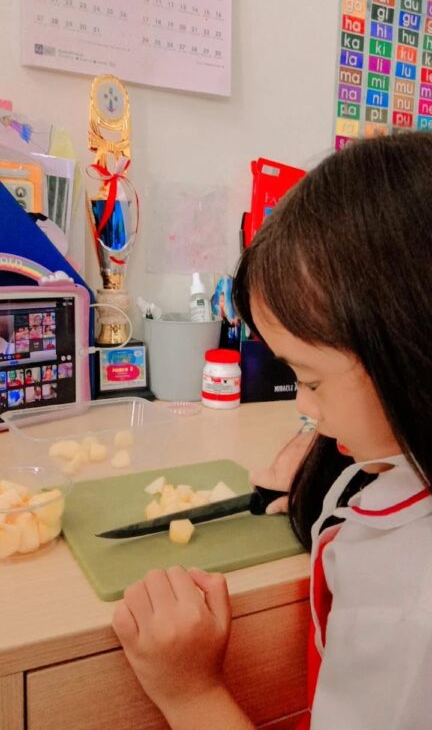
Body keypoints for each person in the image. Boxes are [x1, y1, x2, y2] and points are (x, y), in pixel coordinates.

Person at [112, 132, 432, 729]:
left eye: (309, 379)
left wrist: (190, 692)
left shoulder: (413, 613)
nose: (303, 408)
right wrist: (321, 466)